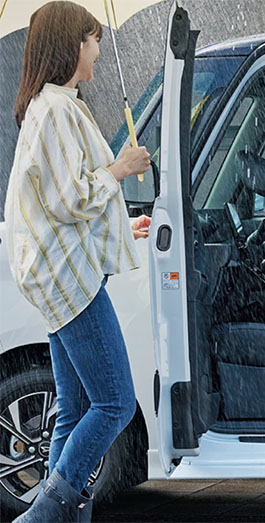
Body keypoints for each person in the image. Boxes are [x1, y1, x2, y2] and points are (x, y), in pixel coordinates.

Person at [6, 2, 151, 521]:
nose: (95, 48)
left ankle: (65, 513)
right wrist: (122, 166)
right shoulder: (60, 109)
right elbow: (72, 197)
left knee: (74, 406)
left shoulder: (48, 106)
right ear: (73, 46)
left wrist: (123, 226)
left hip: (57, 273)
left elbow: (58, 204)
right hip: (71, 278)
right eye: (91, 39)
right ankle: (46, 514)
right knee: (116, 403)